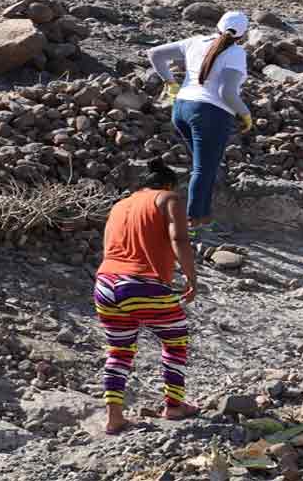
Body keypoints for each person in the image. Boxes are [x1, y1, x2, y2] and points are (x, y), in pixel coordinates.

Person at [93, 159, 198, 436]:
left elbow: (108, 249)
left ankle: (114, 418)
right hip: (141, 284)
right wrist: (191, 277)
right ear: (168, 184)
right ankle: (174, 405)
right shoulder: (168, 198)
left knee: (119, 351)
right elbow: (180, 240)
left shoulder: (119, 205)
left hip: (105, 283)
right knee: (176, 340)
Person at [148, 11, 253, 238]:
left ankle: (203, 218)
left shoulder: (194, 42)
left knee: (204, 168)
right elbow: (227, 92)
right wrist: (245, 114)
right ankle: (192, 226)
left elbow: (154, 54)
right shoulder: (235, 52)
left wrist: (171, 83)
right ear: (243, 35)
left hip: (182, 109)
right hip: (210, 114)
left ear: (217, 26)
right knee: (204, 170)